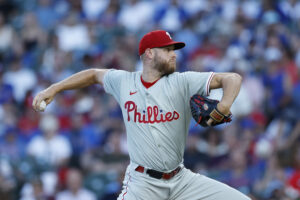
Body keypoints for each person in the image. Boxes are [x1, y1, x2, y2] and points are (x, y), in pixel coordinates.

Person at [33, 30, 250, 200]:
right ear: (150, 53)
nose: (174, 54)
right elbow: (92, 74)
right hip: (143, 184)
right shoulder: (124, 81)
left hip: (182, 179)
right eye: (168, 50)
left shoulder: (182, 81)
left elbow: (232, 78)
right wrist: (54, 88)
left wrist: (224, 105)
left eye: (174, 50)